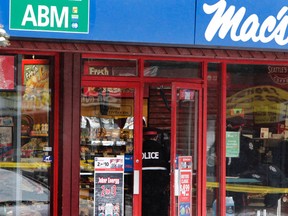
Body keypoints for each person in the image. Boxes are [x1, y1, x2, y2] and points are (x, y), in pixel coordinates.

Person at [142, 127, 170, 216]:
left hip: (143, 187)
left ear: (143, 137)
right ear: (156, 137)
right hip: (159, 188)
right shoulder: (162, 149)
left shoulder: (139, 149)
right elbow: (168, 166)